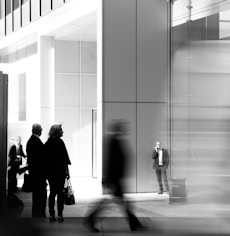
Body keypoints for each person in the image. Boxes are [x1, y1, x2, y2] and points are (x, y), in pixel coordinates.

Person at [84, 120, 146, 232]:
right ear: (118, 129)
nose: (126, 130)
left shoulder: (114, 140)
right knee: (120, 202)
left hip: (114, 178)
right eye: (123, 128)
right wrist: (109, 177)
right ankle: (91, 219)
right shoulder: (113, 141)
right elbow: (111, 161)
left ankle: (91, 219)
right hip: (114, 178)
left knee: (118, 202)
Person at [44, 124, 71, 222]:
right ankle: (60, 215)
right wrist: (67, 172)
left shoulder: (47, 143)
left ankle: (52, 215)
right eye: (61, 130)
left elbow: (45, 159)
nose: (62, 132)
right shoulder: (60, 142)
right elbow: (65, 159)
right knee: (60, 193)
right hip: (60, 172)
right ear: (57, 132)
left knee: (52, 193)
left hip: (51, 173)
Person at [26, 124, 47, 218]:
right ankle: (39, 214)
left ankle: (37, 214)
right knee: (40, 196)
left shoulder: (31, 141)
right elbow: (41, 157)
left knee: (37, 196)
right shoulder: (35, 141)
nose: (41, 131)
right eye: (41, 130)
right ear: (38, 130)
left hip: (35, 173)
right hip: (38, 174)